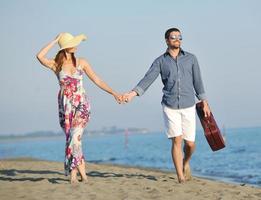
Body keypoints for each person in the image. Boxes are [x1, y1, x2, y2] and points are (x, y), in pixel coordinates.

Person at [122, 28, 211, 183]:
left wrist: (204, 102)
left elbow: (198, 81)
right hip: (169, 106)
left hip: (188, 104)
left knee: (190, 144)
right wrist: (132, 94)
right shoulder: (160, 61)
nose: (177, 39)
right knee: (177, 140)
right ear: (167, 40)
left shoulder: (191, 59)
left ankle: (186, 162)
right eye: (173, 37)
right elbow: (147, 79)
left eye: (179, 37)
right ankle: (181, 178)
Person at [36, 33, 122, 184]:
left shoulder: (82, 62)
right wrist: (56, 40)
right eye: (72, 43)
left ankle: (73, 174)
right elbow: (39, 56)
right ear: (65, 47)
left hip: (82, 106)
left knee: (75, 137)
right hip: (65, 108)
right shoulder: (56, 65)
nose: (76, 45)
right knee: (74, 140)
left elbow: (97, 79)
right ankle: (84, 175)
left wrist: (113, 92)